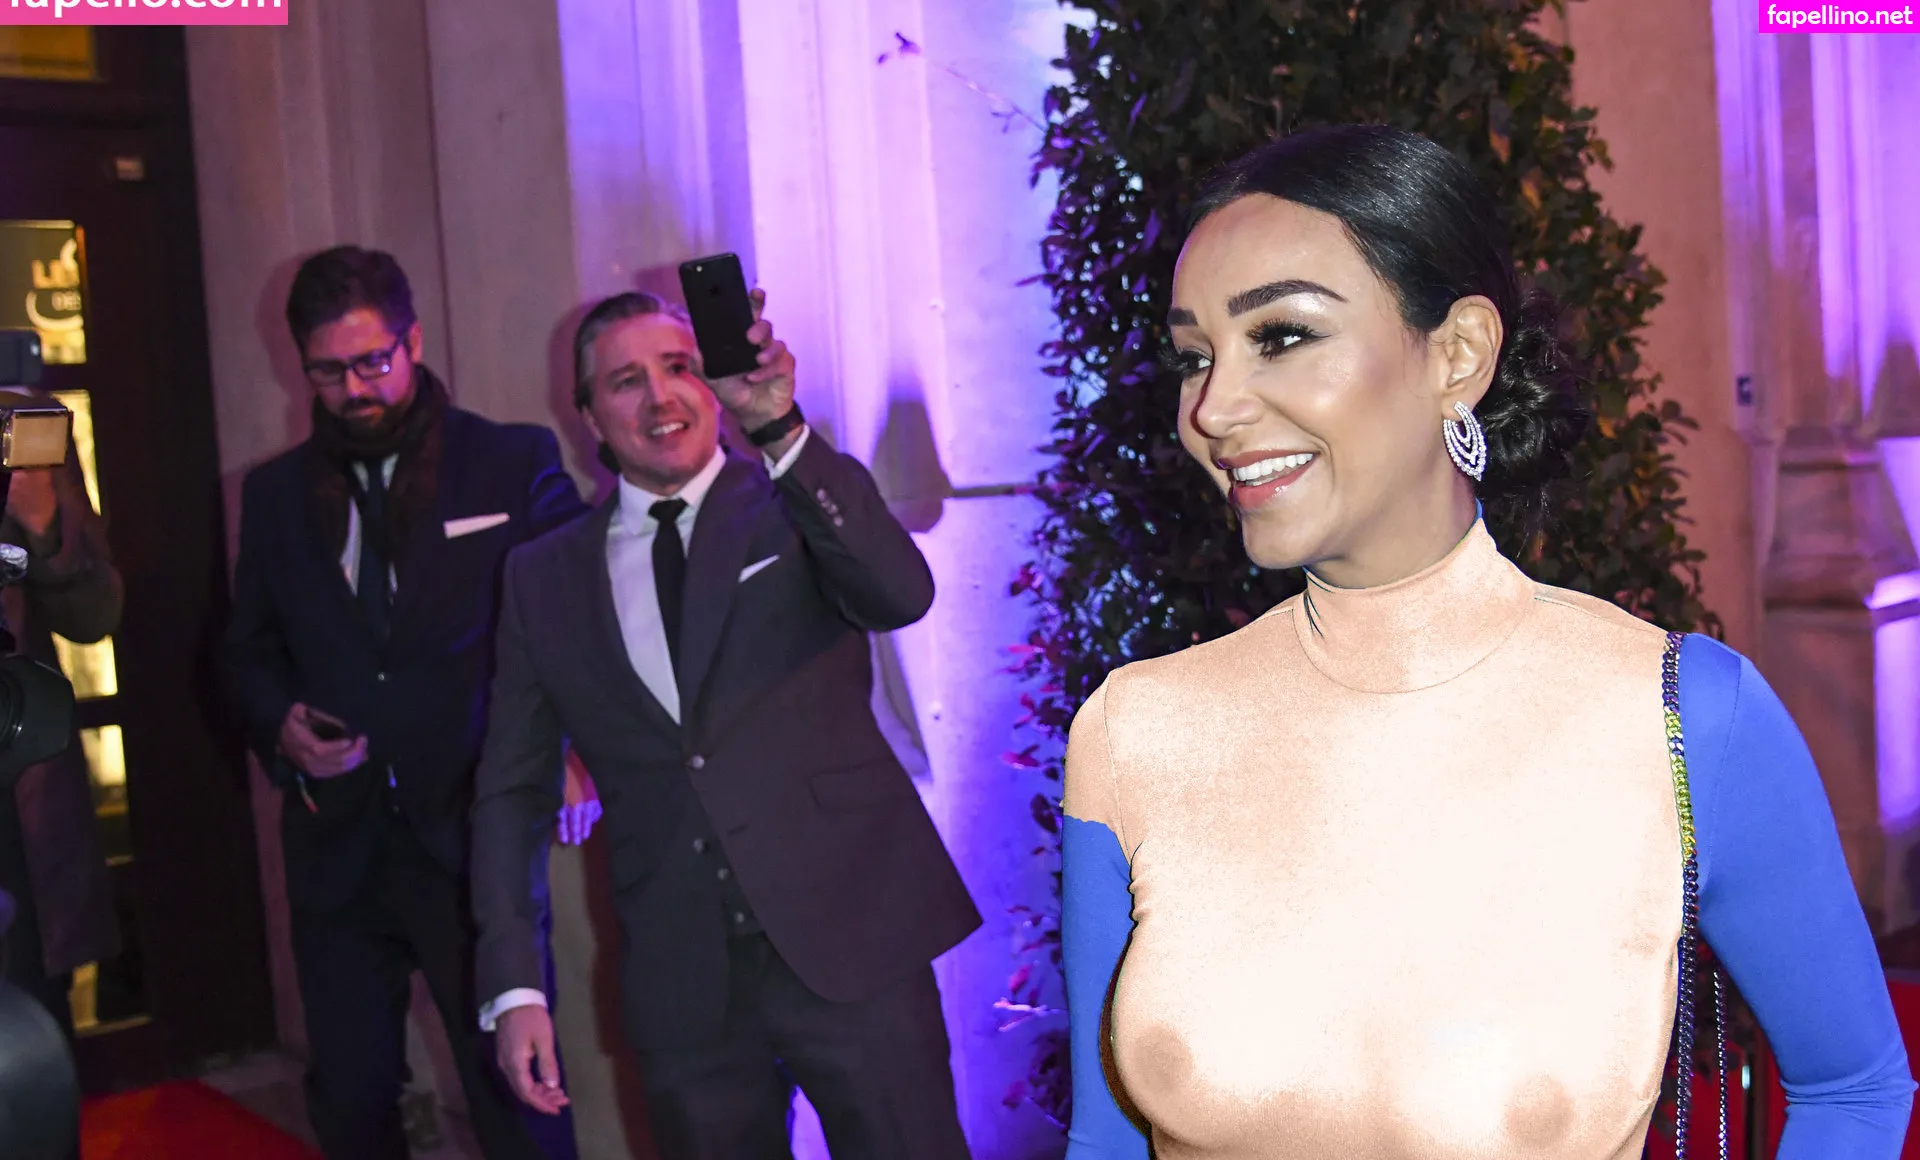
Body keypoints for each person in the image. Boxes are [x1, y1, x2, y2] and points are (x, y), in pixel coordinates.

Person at [1060, 125, 1915, 1159]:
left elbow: (1854, 1089)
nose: (1213, 408)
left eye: (1280, 335)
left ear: (1459, 353)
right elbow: (1105, 1140)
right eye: (1196, 356)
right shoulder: (1136, 731)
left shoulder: (1680, 716)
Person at [471, 289, 980, 1160]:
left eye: (679, 367)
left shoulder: (794, 500)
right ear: (587, 413)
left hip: (852, 937)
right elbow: (511, 792)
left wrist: (780, 428)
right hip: (683, 980)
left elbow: (900, 593)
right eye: (625, 381)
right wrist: (515, 985)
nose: (660, 397)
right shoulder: (541, 578)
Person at [223, 246, 590, 1160]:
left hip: (471, 836)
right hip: (337, 846)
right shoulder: (273, 495)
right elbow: (246, 651)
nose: (354, 389)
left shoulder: (509, 460)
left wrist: (572, 747)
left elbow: (580, 617)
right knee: (351, 1105)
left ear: (413, 341)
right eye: (328, 371)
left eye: (372, 362)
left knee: (517, 1099)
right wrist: (281, 728)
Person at [0, 390, 123, 1042]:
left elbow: (96, 614)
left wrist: (45, 527)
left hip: (15, 797)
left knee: (30, 1042)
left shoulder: (22, 420)